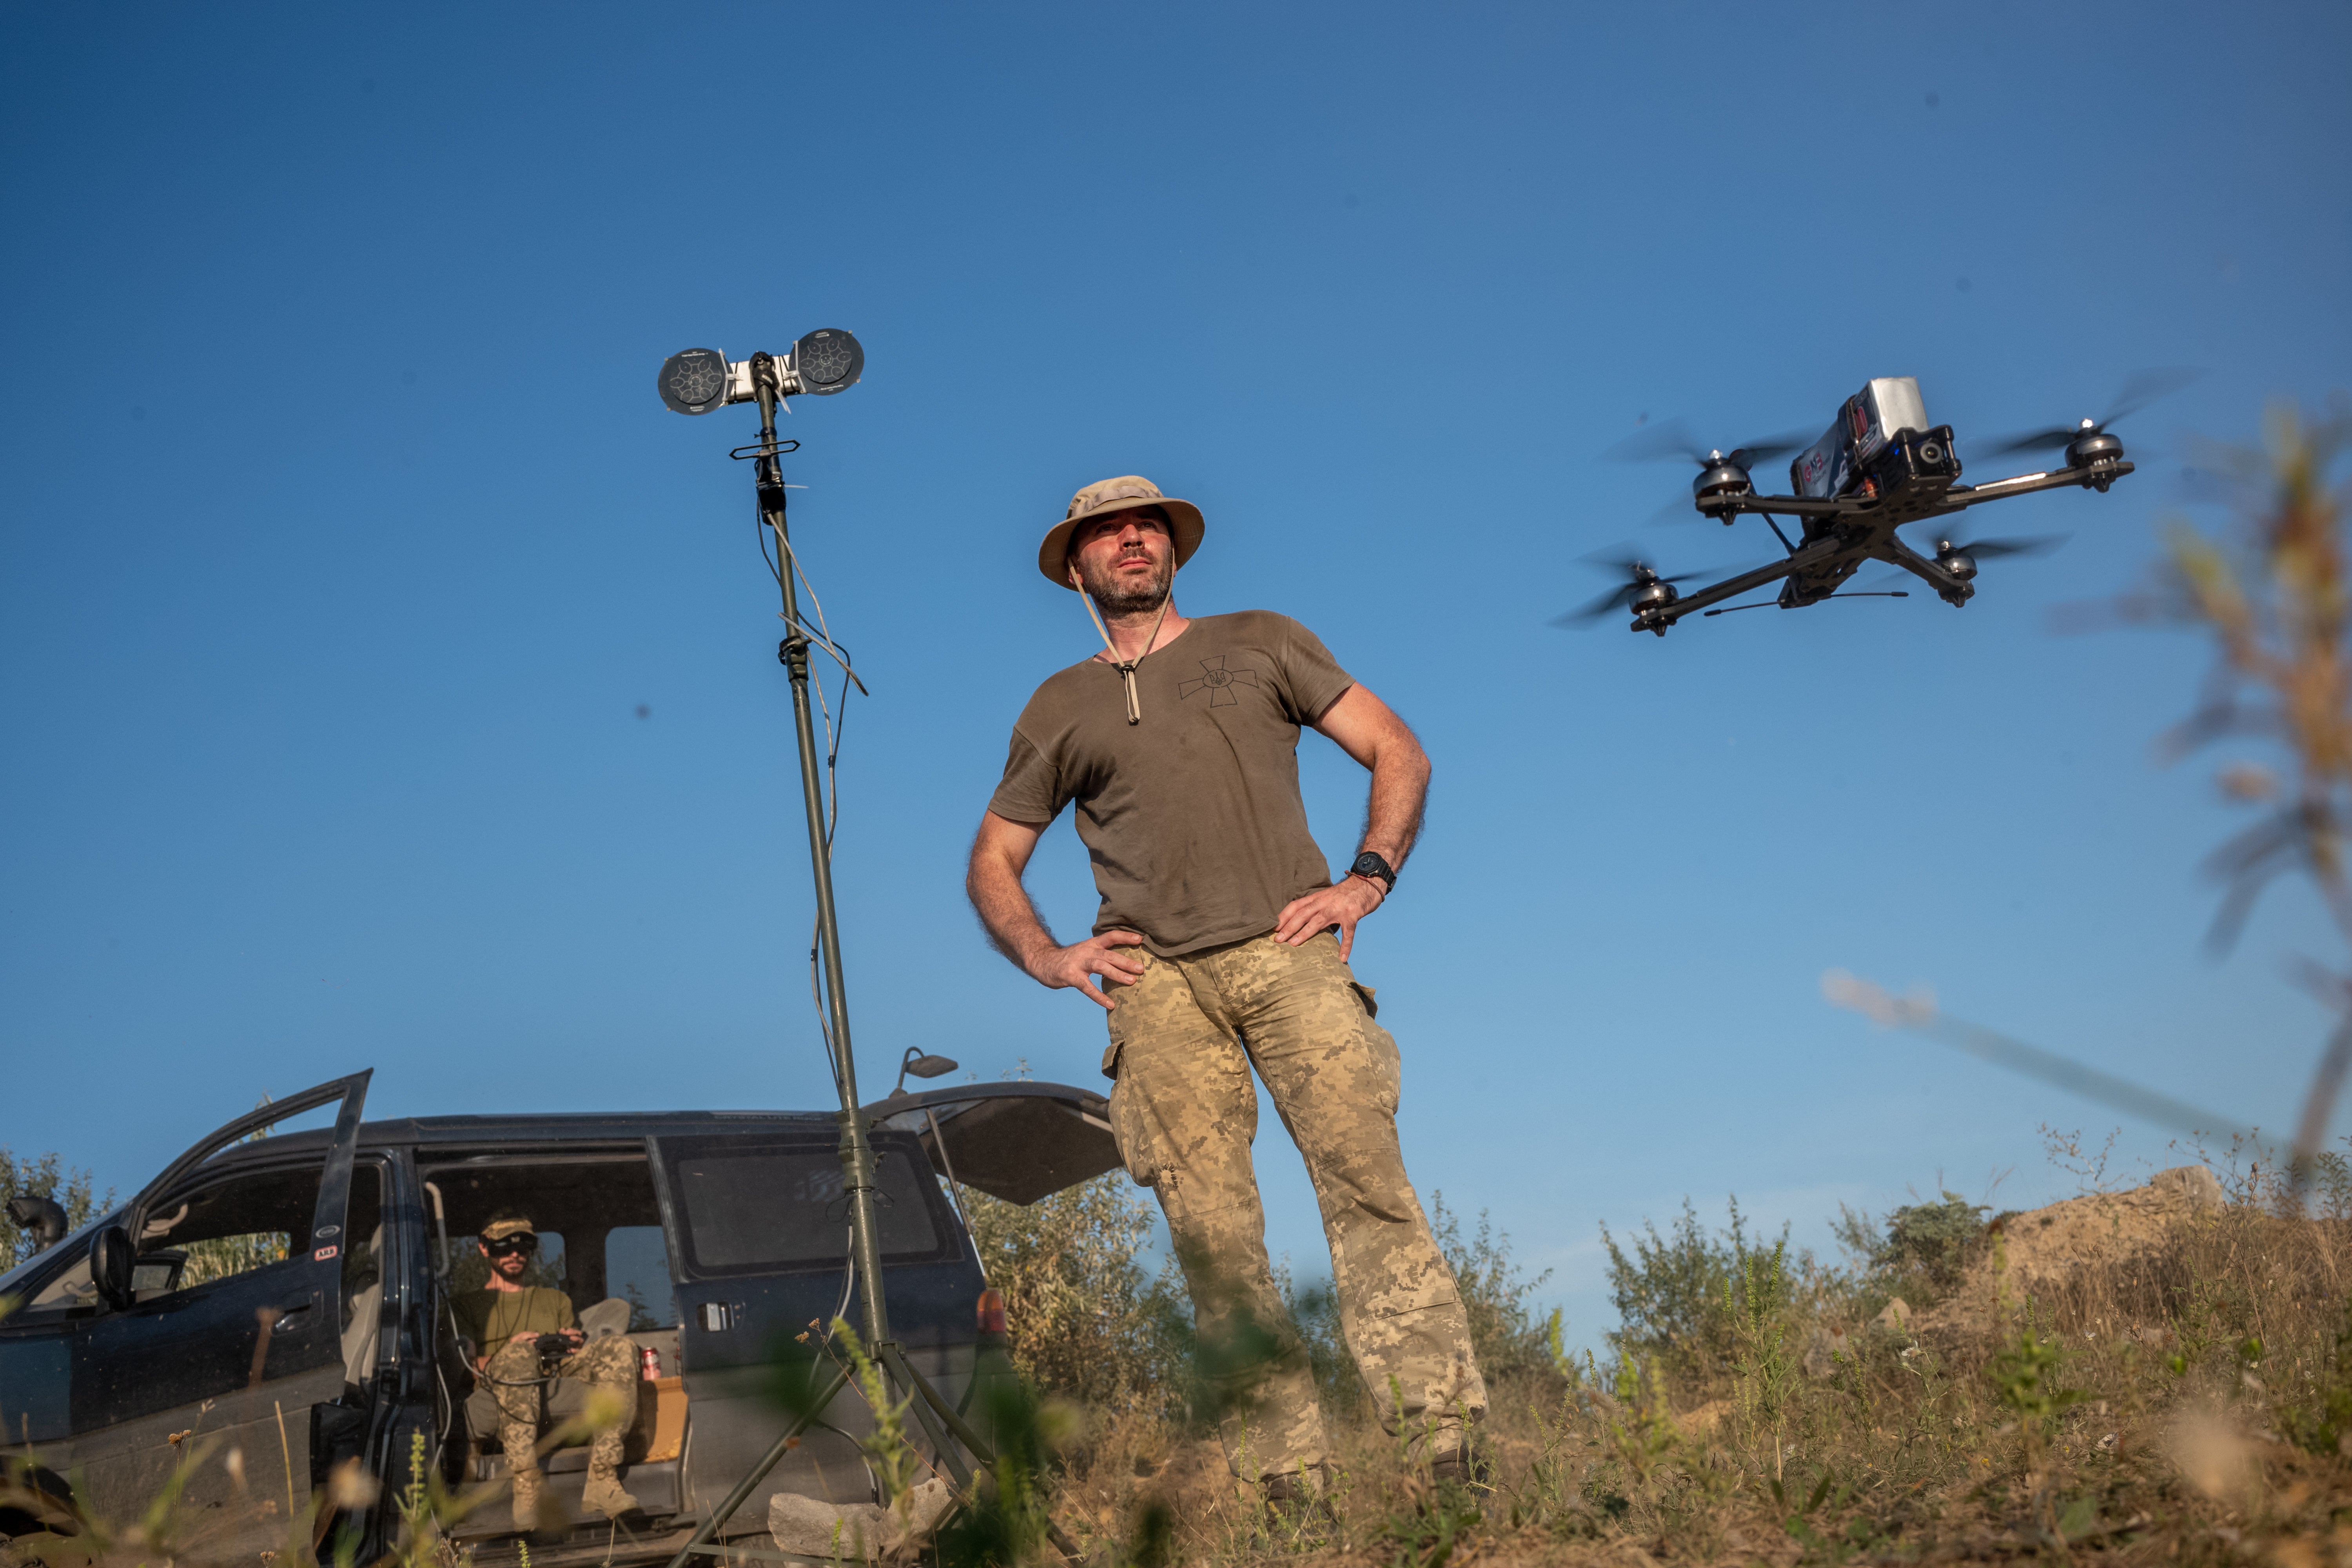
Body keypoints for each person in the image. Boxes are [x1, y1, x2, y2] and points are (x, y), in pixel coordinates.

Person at [965, 475, 1487, 1499]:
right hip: (1156, 990)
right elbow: (993, 859)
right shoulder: (1058, 705)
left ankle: (1447, 1452)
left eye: (1147, 525)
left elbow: (1398, 749)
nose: (1130, 540)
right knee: (1214, 1242)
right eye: (1106, 531)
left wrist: (1366, 878)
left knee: (1369, 1192)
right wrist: (1046, 955)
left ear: (1174, 550)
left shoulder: (1260, 640)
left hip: (1288, 953)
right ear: (1075, 565)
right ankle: (1289, 1482)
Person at [450, 1214, 641, 1530]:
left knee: (619, 1347)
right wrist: (512, 1348)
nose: (515, 1254)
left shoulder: (555, 1299)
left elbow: (573, 1360)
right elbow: (469, 1366)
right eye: (504, 1246)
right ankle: (527, 1489)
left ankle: (603, 1481)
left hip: (553, 1371)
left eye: (524, 1247)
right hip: (499, 1381)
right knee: (521, 1353)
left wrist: (573, 1344)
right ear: (485, 1249)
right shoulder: (465, 1305)